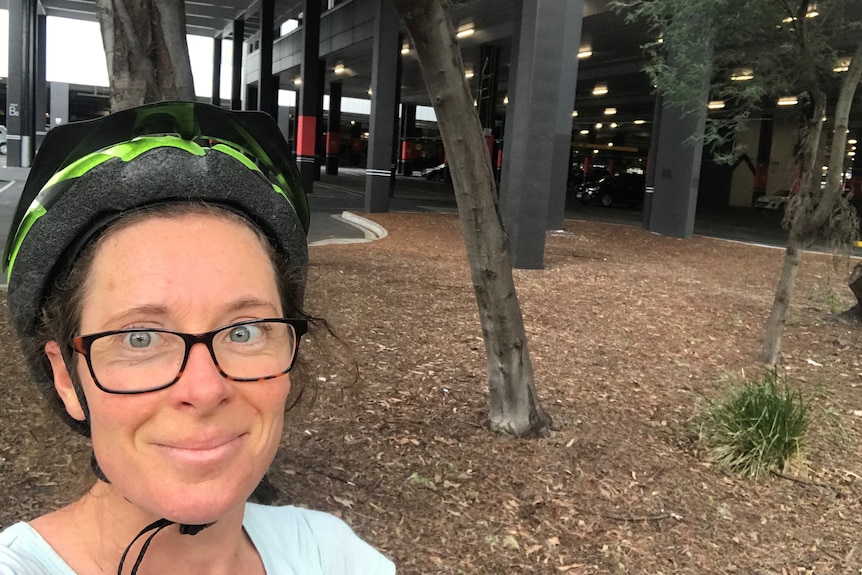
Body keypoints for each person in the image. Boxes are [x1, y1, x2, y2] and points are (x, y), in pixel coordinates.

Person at [0, 101, 396, 575]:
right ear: (67, 378)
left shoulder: (330, 554)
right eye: (141, 338)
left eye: (245, 331)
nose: (205, 391)